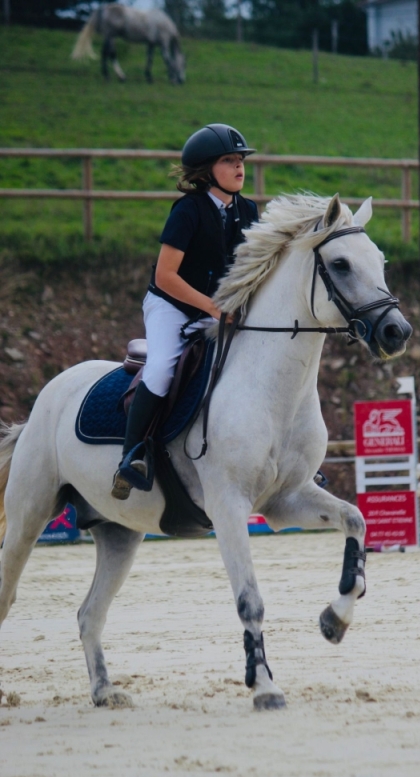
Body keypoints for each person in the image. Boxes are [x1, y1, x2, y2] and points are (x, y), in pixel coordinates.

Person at [111, 123, 258, 500]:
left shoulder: (249, 210)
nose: (240, 167)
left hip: (218, 309)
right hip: (171, 305)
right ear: (207, 170)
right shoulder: (188, 210)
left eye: (241, 159)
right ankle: (132, 455)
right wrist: (213, 308)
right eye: (229, 160)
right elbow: (165, 276)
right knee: (160, 369)